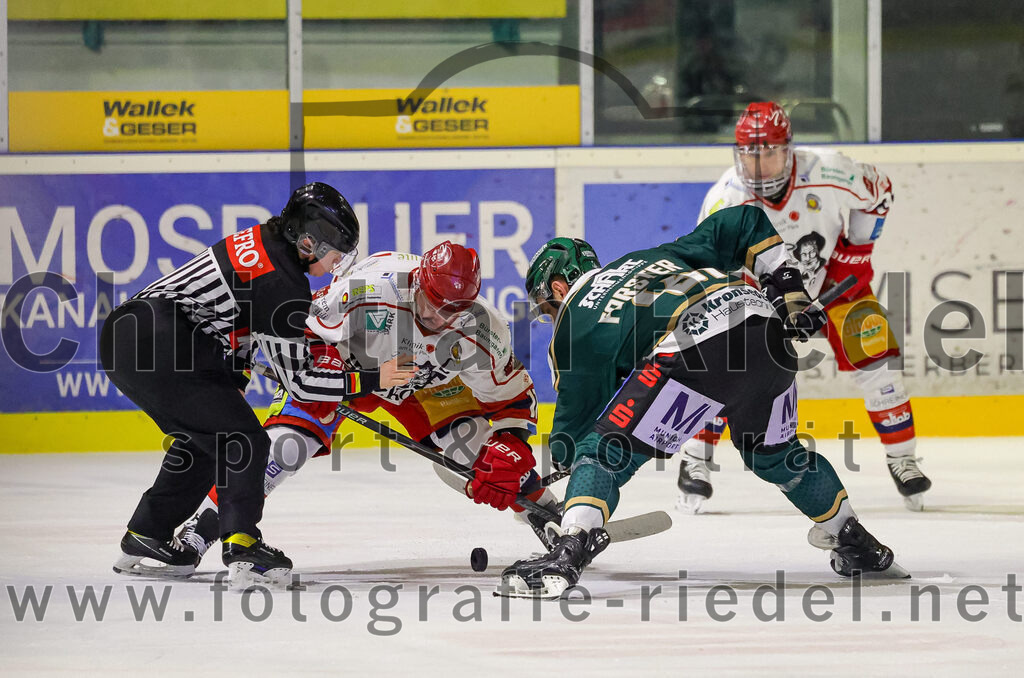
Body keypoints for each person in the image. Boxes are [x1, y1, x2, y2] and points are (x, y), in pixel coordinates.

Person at [500, 206, 906, 599]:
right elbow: (742, 220)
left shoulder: (572, 318)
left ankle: (567, 552)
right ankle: (856, 541)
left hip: (694, 349)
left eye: (545, 306)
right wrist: (788, 286)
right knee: (778, 455)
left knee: (602, 453)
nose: (549, 316)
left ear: (557, 288)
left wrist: (558, 491)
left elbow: (575, 427)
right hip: (765, 329)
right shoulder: (652, 257)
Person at [175, 241, 556, 562]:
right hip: (349, 368)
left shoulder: (483, 329)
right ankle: (203, 527)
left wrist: (512, 444)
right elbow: (303, 327)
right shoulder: (369, 288)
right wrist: (324, 369)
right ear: (418, 282)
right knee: (287, 447)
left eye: (453, 310)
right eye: (432, 302)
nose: (439, 318)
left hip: (421, 386)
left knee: (480, 449)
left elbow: (513, 396)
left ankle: (552, 518)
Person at [101, 182, 396, 588]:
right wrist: (375, 379)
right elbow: (305, 385)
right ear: (307, 241)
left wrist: (234, 378)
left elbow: (240, 321)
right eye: (332, 253)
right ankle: (243, 547)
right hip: (162, 340)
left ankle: (146, 535)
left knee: (204, 440)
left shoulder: (265, 240)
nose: (333, 265)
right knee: (246, 440)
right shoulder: (283, 284)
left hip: (131, 337)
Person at [677, 102, 931, 514]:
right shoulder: (726, 197)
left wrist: (856, 252)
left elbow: (879, 191)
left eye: (769, 153)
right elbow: (712, 266)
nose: (758, 166)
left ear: (789, 148)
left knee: (878, 363)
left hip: (836, 284)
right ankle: (695, 461)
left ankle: (903, 459)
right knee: (723, 368)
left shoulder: (830, 171)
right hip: (760, 296)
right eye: (749, 154)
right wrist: (763, 306)